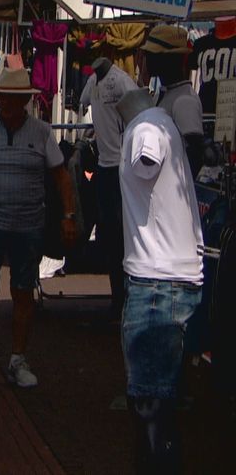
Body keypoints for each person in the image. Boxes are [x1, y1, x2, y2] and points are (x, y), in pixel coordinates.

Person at [0, 67, 77, 390]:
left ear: (24, 100)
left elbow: (61, 175)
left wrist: (68, 214)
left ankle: (18, 358)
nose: (5, 103)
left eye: (12, 98)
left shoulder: (41, 132)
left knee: (23, 293)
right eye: (2, 97)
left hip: (28, 225)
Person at [115, 87, 203, 473]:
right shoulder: (159, 124)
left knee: (151, 403)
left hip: (157, 283)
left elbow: (146, 159)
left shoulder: (147, 128)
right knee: (159, 402)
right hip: (164, 278)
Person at [78, 57, 138, 313]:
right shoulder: (92, 81)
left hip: (123, 167)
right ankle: (117, 298)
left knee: (124, 236)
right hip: (104, 167)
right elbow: (82, 103)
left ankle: (126, 298)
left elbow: (138, 114)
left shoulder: (123, 83)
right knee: (109, 235)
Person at [142, 24, 205, 178]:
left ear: (169, 59)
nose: (147, 60)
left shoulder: (184, 101)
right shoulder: (165, 93)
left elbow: (194, 155)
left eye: (153, 55)